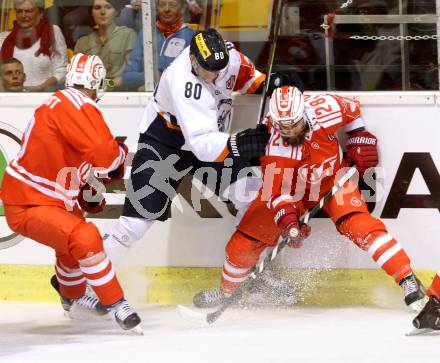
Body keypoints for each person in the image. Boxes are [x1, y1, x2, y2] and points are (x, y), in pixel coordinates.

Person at [193, 85, 428, 311]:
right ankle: (227, 293)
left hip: (332, 181)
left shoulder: (326, 107)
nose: (289, 133)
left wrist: (359, 135)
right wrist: (289, 223)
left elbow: (353, 110)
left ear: (303, 113)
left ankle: (407, 279)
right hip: (292, 192)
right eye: (283, 127)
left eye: (294, 125)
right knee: (243, 243)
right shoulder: (273, 145)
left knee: (362, 227)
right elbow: (278, 194)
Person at [103, 28, 272, 265]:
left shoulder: (228, 58)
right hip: (165, 144)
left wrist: (273, 83)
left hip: (211, 141)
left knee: (253, 196)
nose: (214, 76)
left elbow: (249, 78)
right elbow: (202, 145)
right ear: (193, 59)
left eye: (219, 70)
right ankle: (84, 281)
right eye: (208, 70)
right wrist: (240, 143)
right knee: (135, 224)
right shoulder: (182, 80)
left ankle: (246, 271)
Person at [0, 53, 141, 333]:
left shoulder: (65, 106)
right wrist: (120, 155)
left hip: (47, 198)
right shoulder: (74, 105)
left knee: (71, 248)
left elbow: (82, 160)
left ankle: (72, 298)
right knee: (84, 237)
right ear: (97, 82)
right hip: (29, 201)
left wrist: (92, 190)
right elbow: (107, 156)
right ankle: (116, 303)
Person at [122, 0, 195, 91]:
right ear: (156, 8)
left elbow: (192, 77)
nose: (166, 9)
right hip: (146, 99)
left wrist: (159, 83)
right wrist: (154, 77)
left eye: (172, 5)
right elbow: (127, 76)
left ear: (182, 8)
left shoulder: (191, 37)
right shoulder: (146, 34)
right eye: (162, 5)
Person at [0, 0, 68, 91]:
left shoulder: (52, 32)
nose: (23, 15)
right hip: (12, 97)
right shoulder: (3, 38)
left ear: (40, 13)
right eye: (19, 11)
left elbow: (61, 70)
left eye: (29, 11)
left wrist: (41, 87)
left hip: (44, 95)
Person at [74, 0, 136, 90]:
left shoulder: (128, 35)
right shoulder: (83, 42)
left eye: (108, 7)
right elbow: (77, 78)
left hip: (120, 95)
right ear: (91, 12)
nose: (102, 12)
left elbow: (130, 75)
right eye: (97, 8)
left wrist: (106, 84)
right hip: (89, 95)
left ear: (116, 11)